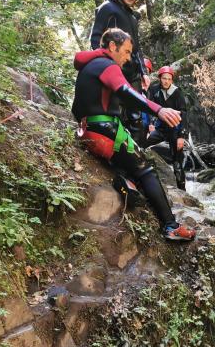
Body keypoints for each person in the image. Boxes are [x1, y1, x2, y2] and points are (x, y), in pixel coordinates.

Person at [72, 27, 195, 241]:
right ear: (112, 46)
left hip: (87, 130)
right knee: (147, 170)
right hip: (106, 131)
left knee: (127, 162)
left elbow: (75, 108)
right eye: (127, 52)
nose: (128, 58)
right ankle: (170, 227)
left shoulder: (88, 67)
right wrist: (159, 109)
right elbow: (126, 93)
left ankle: (126, 183)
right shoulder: (107, 65)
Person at [90, 0, 151, 146]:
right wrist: (105, 66)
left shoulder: (132, 17)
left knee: (136, 117)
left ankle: (137, 156)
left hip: (132, 74)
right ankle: (117, 157)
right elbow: (95, 39)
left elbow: (136, 47)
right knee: (114, 115)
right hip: (114, 72)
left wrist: (144, 72)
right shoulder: (107, 8)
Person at [144, 66, 188, 190]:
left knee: (177, 162)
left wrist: (181, 136)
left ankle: (182, 190)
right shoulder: (154, 89)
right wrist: (149, 126)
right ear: (160, 78)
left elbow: (184, 114)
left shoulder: (177, 92)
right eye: (164, 78)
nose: (166, 81)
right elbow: (148, 107)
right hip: (160, 128)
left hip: (175, 129)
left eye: (169, 79)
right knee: (142, 142)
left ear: (172, 80)